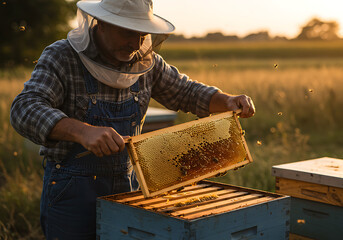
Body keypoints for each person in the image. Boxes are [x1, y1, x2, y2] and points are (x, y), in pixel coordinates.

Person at [10, 0, 255, 239]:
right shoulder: (62, 56)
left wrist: (226, 100)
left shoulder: (146, 64)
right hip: (71, 193)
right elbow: (24, 108)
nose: (135, 44)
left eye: (141, 35)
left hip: (127, 188)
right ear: (102, 23)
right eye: (127, 32)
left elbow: (186, 92)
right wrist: (83, 131)